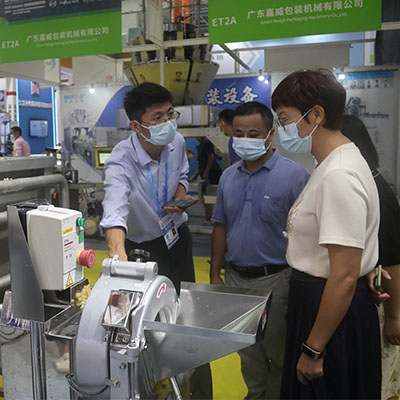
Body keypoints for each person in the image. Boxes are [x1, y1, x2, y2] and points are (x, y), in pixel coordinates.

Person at [271, 69, 381, 399]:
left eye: (285, 118)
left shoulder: (339, 174)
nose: (281, 130)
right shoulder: (330, 163)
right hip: (323, 302)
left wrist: (314, 349)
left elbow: (344, 275)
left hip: (329, 308)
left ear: (316, 114)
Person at [99, 82, 212, 399]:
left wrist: (179, 189)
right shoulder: (121, 161)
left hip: (177, 240)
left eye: (170, 114)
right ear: (136, 126)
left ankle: (196, 391)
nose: (168, 123)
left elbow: (183, 171)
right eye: (158, 117)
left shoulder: (176, 140)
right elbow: (114, 210)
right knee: (143, 326)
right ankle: (149, 387)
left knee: (187, 321)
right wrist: (117, 260)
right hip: (140, 251)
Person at [210, 101, 309, 399]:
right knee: (246, 350)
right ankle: (255, 396)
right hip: (237, 279)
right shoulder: (228, 176)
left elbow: (305, 233)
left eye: (253, 133)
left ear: (270, 135)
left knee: (279, 353)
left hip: (277, 280)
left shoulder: (294, 176)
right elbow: (220, 226)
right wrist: (215, 273)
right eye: (238, 133)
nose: (245, 140)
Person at [340, 114, 400, 400]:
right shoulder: (362, 182)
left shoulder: (376, 193)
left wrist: (394, 317)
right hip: (366, 300)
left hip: (381, 307)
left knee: (378, 384)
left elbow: (392, 262)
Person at [191, 137, 222, 224]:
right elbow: (202, 163)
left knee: (207, 197)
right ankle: (208, 218)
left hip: (213, 175)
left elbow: (211, 158)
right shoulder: (201, 146)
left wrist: (206, 173)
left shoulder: (207, 143)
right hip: (205, 174)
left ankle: (211, 219)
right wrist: (195, 175)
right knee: (204, 198)